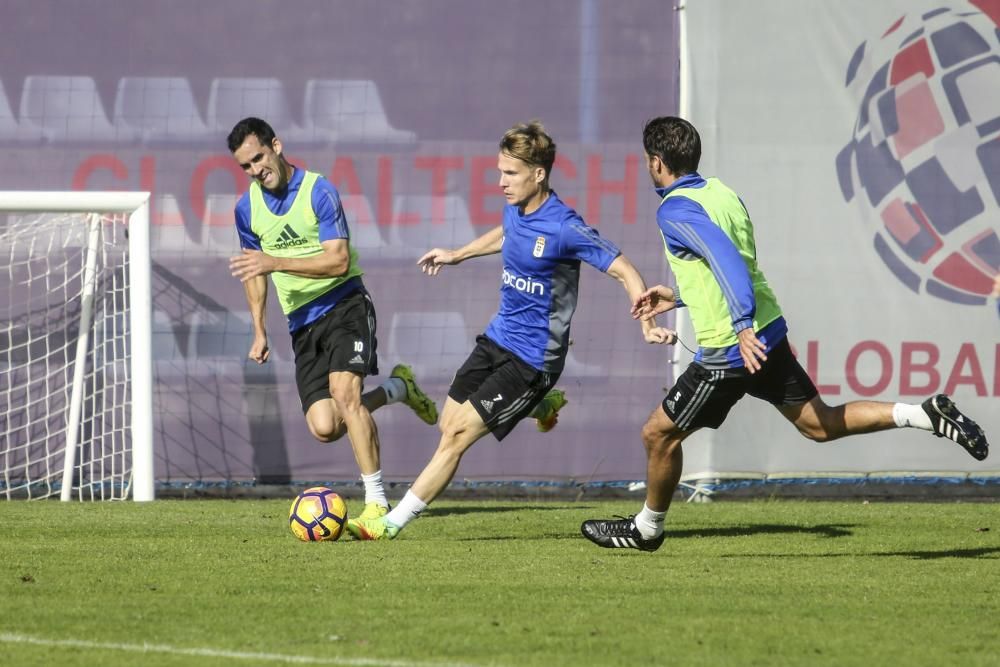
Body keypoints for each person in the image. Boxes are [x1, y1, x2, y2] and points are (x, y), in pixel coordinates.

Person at [581, 116, 991, 552]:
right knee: (820, 424)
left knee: (657, 434)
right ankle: (924, 414)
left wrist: (739, 327)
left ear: (657, 162)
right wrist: (680, 296)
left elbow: (728, 262)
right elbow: (738, 260)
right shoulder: (722, 192)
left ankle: (647, 529)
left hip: (733, 348)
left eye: (648, 160)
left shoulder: (674, 209)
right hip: (768, 333)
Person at [346, 120, 671, 540]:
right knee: (448, 422)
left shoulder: (565, 227)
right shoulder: (516, 208)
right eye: (499, 172)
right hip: (497, 338)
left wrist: (647, 324)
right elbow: (507, 232)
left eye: (511, 173)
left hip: (534, 360)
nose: (501, 182)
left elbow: (625, 269)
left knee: (458, 436)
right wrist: (458, 254)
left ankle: (388, 524)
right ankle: (539, 406)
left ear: (539, 174)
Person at [226, 116, 439, 522]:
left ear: (276, 145)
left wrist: (277, 260)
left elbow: (339, 261)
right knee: (325, 428)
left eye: (259, 158)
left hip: (345, 305)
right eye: (246, 167)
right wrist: (258, 329)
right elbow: (255, 271)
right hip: (302, 322)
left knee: (346, 395)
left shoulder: (318, 191)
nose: (256, 171)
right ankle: (398, 388)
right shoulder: (246, 209)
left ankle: (376, 501)